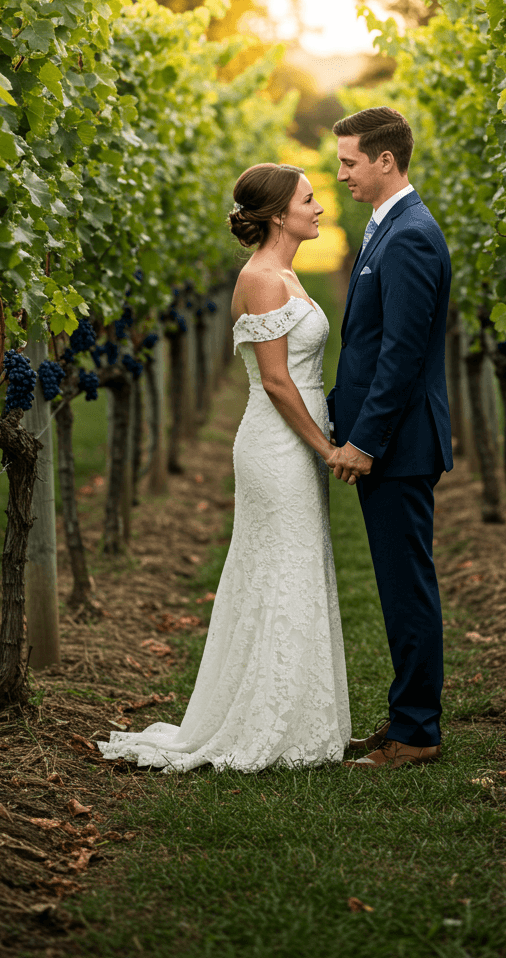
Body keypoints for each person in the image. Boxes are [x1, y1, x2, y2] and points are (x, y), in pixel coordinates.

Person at [98, 163, 351, 772]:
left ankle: (299, 716)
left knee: (292, 566)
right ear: (276, 215)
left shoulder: (285, 271)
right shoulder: (262, 277)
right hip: (278, 443)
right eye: (309, 200)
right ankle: (269, 724)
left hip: (294, 439)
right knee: (278, 570)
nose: (319, 209)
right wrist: (327, 448)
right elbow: (275, 381)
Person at [328, 106, 452, 770]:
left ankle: (416, 733)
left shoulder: (409, 235)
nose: (340, 173)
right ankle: (406, 717)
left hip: (400, 445)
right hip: (391, 439)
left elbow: (402, 354)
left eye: (349, 162)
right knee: (400, 584)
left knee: (407, 588)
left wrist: (364, 440)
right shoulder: (388, 226)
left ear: (385, 160)